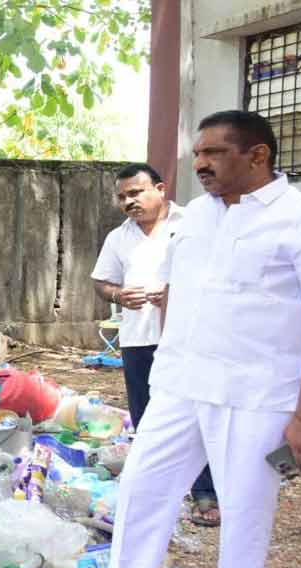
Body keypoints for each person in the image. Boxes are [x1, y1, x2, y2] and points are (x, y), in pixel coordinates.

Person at [60, 110, 301, 568]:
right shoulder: (195, 216)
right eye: (198, 153)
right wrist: (168, 359)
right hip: (180, 385)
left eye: (214, 153)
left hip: (257, 394)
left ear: (258, 156)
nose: (199, 163)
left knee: (245, 506)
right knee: (142, 491)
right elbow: (174, 289)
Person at [91, 163, 220, 527]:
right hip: (137, 339)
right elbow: (101, 281)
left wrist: (177, 292)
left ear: (160, 189)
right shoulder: (119, 237)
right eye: (122, 196)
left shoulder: (193, 224)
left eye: (135, 192)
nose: (128, 202)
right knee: (147, 418)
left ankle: (205, 491)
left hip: (188, 339)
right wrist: (118, 294)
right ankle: (156, 494)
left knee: (196, 417)